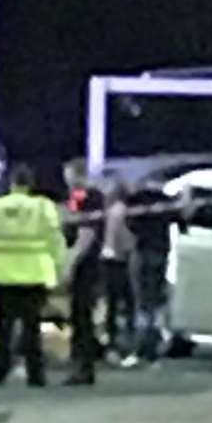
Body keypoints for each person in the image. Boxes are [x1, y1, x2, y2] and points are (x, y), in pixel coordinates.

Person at [0, 163, 66, 387]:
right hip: (33, 275)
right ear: (30, 185)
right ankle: (35, 375)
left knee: (3, 328)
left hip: (1, 274)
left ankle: (0, 371)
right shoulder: (43, 207)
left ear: (11, 184)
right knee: (31, 328)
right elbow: (55, 240)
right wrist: (58, 267)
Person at [127, 181, 184, 363]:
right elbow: (182, 219)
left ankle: (142, 345)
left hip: (143, 252)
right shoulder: (166, 202)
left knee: (142, 300)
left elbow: (130, 224)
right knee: (156, 300)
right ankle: (152, 344)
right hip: (160, 252)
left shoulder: (136, 200)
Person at [63, 158, 105, 385]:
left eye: (69, 175)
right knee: (79, 317)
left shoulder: (89, 198)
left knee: (82, 317)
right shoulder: (78, 198)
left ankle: (83, 367)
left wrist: (71, 263)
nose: (67, 181)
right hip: (85, 264)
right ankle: (80, 365)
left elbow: (85, 234)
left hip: (86, 266)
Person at [99, 179, 137, 360]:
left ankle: (112, 341)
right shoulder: (121, 210)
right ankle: (122, 343)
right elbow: (124, 238)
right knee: (125, 303)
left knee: (112, 304)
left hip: (109, 259)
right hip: (119, 260)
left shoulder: (110, 210)